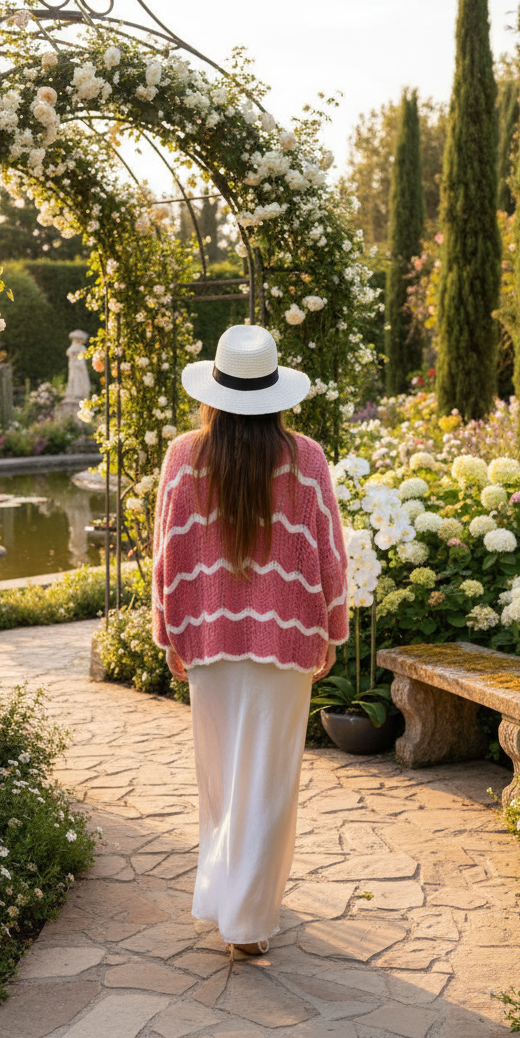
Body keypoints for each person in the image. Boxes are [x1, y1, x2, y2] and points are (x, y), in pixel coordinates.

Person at [152, 323, 349, 959]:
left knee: (218, 776)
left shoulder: (185, 455)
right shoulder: (306, 458)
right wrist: (334, 630)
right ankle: (247, 919)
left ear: (214, 390)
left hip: (209, 640)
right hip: (286, 641)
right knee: (267, 781)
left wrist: (169, 633)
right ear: (275, 394)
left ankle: (224, 897)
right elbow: (329, 555)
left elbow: (168, 553)